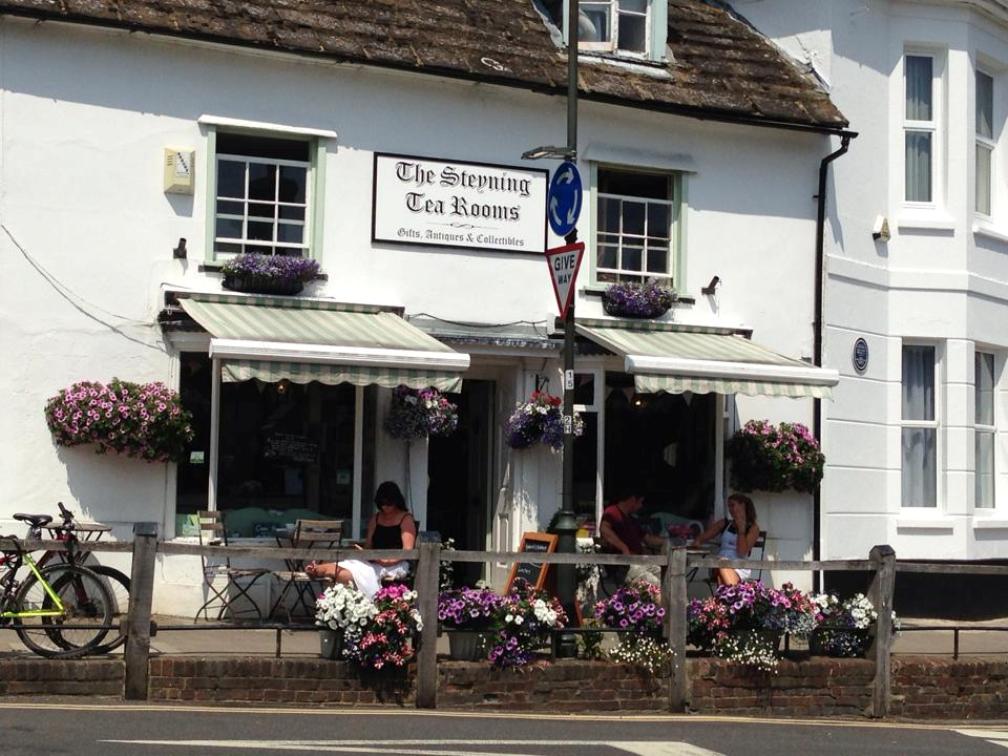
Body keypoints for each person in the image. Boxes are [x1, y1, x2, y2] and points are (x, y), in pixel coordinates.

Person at [304, 481, 416, 598]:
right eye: (382, 504)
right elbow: (368, 545)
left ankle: (319, 570)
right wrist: (363, 552)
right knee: (344, 564)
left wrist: (383, 561)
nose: (385, 507)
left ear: (396, 501)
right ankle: (317, 569)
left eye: (389, 503)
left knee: (348, 573)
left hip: (395, 564)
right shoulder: (376, 518)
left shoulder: (405, 518)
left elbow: (407, 551)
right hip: (373, 560)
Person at [598, 486, 665, 586]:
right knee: (655, 584)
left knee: (667, 577)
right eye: (640, 502)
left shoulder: (632, 520)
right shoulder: (612, 512)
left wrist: (668, 542)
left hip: (640, 562)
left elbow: (648, 539)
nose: (641, 506)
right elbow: (604, 529)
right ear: (633, 500)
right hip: (625, 567)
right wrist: (624, 547)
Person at [691, 493, 760, 586]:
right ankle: (735, 595)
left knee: (721, 574)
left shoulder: (753, 528)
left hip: (740, 567)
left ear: (742, 505)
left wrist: (741, 531)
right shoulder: (724, 523)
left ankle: (727, 596)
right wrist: (697, 541)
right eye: (729, 506)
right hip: (719, 563)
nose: (730, 509)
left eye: (732, 505)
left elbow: (742, 552)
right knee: (721, 562)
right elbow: (703, 537)